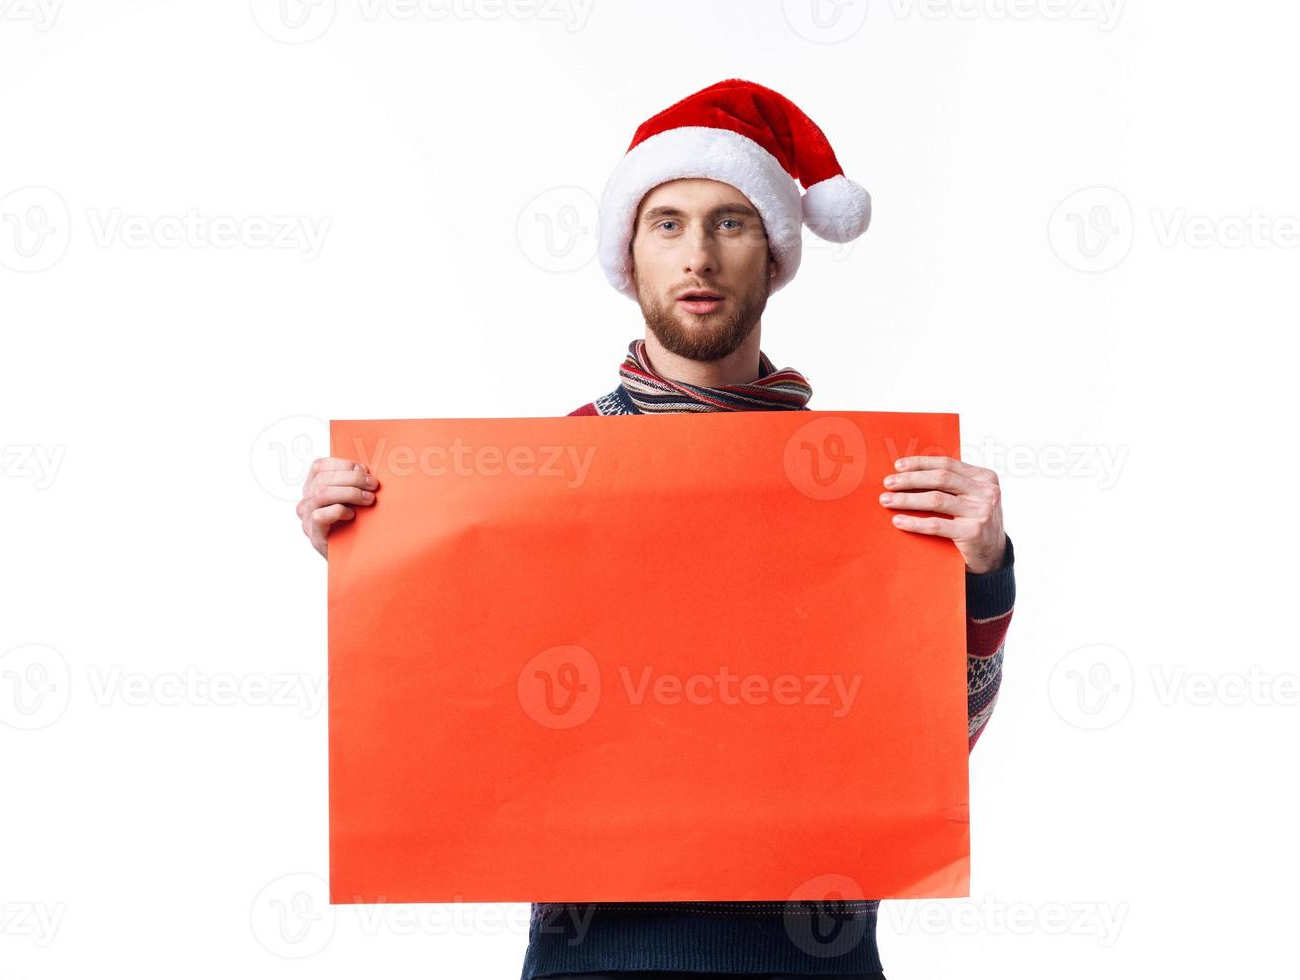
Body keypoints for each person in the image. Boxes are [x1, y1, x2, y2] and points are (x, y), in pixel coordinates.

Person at [296, 78, 1016, 980]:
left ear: (775, 255)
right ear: (628, 258)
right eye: (666, 223)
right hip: (595, 961)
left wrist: (983, 571)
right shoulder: (529, 484)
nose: (699, 257)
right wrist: (370, 556)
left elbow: (935, 750)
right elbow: (456, 727)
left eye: (732, 222)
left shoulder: (862, 487)